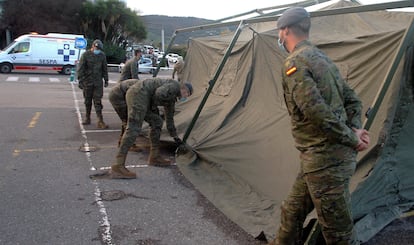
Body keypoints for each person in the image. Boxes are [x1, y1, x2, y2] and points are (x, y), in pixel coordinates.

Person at [269, 7, 370, 245]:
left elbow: (316, 112)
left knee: (338, 233)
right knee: (292, 211)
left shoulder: (294, 62)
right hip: (318, 160)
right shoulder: (323, 59)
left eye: (280, 32)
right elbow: (353, 100)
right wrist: (354, 129)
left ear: (284, 31)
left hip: (325, 161)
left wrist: (352, 137)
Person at [110, 78, 193, 179]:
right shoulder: (174, 86)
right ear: (183, 88)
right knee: (134, 128)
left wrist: (175, 137)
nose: (186, 97)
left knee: (157, 122)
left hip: (143, 96)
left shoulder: (172, 97)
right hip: (138, 94)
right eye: (187, 93)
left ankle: (154, 156)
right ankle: (118, 166)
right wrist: (154, 107)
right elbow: (159, 93)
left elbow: (169, 120)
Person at [77, 39, 109, 129]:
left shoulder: (102, 56)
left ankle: (100, 120)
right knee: (87, 101)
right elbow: (81, 68)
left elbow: (104, 68)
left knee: (98, 102)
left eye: (99, 49)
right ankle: (87, 118)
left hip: (98, 83)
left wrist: (106, 80)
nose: (97, 50)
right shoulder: (86, 55)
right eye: (96, 48)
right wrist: (80, 80)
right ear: (93, 46)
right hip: (87, 82)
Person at [108, 78, 142, 151]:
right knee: (129, 121)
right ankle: (128, 145)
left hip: (118, 94)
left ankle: (122, 141)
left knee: (125, 120)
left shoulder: (143, 85)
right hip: (117, 97)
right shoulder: (142, 90)